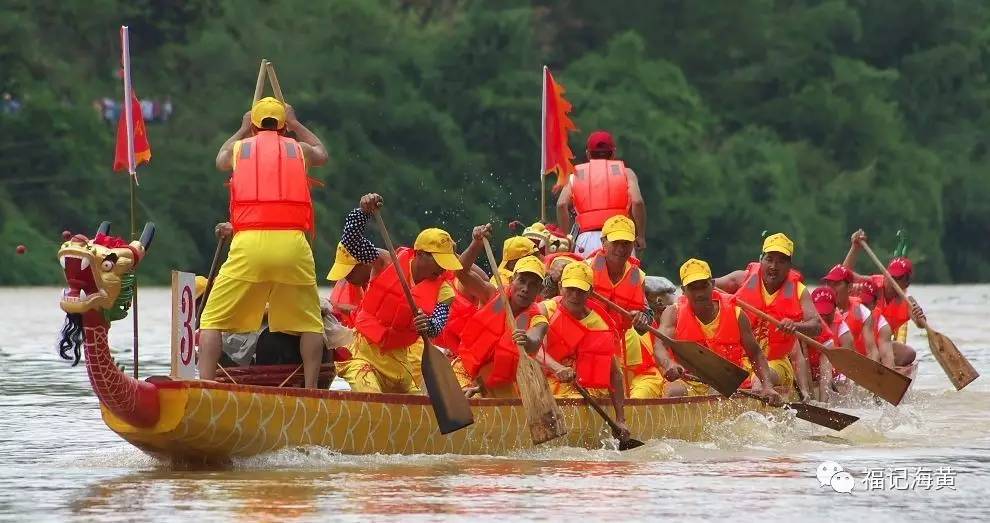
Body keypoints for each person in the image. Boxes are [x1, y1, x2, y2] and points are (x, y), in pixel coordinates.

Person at [199, 97, 329, 388]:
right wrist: (297, 124)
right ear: (283, 125)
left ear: (254, 124)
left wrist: (241, 129)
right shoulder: (300, 149)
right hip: (292, 245)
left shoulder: (238, 148)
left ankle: (205, 388)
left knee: (211, 321)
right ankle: (311, 390)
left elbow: (220, 160)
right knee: (310, 322)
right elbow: (323, 153)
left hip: (250, 244)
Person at [334, 193, 462, 394]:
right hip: (364, 355)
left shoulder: (444, 290)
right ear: (420, 254)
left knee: (416, 407)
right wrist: (362, 213)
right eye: (438, 260)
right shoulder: (386, 261)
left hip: (400, 366)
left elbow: (437, 326)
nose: (443, 268)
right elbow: (351, 242)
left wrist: (427, 326)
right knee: (371, 394)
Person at [657, 259, 782, 404]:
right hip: (690, 382)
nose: (699, 294)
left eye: (704, 286)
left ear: (713, 285)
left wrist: (767, 386)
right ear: (684, 291)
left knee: (718, 391)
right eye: (693, 288)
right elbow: (660, 345)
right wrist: (668, 364)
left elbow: (755, 354)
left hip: (727, 383)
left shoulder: (736, 314)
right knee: (674, 392)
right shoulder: (673, 313)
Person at [713, 233, 819, 398]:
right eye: (769, 259)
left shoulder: (799, 291)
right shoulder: (742, 278)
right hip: (739, 361)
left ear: (789, 265)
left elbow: (816, 326)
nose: (774, 266)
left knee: (760, 381)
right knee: (713, 382)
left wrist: (796, 326)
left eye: (781, 261)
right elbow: (708, 286)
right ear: (761, 259)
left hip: (774, 363)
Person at [451, 224, 549, 397]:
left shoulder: (538, 319)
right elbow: (461, 272)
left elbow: (535, 339)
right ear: (513, 280)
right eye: (522, 281)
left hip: (499, 385)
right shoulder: (492, 294)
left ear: (539, 291)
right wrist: (476, 243)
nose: (525, 288)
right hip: (465, 373)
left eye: (533, 285)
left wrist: (526, 340)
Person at [536, 261, 630, 437]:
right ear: (560, 287)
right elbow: (532, 349)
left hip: (581, 390)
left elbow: (614, 374)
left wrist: (620, 420)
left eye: (580, 290)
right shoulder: (544, 311)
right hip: (544, 382)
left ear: (591, 292)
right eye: (570, 289)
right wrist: (558, 368)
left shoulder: (599, 325)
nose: (574, 295)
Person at [586, 215, 661, 398]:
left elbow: (647, 313)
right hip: (589, 345)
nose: (621, 249)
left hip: (623, 344)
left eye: (626, 243)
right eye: (616, 242)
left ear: (633, 245)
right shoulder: (585, 270)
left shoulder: (639, 276)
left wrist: (643, 318)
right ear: (603, 242)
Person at [555, 130, 647, 258]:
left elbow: (561, 204)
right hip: (620, 239)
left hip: (586, 241)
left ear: (588, 153)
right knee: (624, 278)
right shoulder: (627, 173)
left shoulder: (575, 175)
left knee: (584, 277)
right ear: (613, 153)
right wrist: (641, 236)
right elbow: (637, 202)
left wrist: (566, 238)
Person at [842, 230, 920, 368]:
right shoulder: (872, 284)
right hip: (856, 343)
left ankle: (885, 370)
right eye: (891, 276)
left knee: (909, 354)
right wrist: (855, 248)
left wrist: (920, 318)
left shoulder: (909, 302)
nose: (892, 281)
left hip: (882, 347)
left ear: (907, 283)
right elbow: (843, 275)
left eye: (898, 278)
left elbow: (920, 323)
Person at [804, 286, 856, 401]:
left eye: (827, 313)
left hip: (834, 374)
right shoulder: (800, 322)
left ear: (835, 309)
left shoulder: (835, 333)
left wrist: (823, 404)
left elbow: (845, 368)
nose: (824, 317)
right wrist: (806, 392)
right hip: (804, 373)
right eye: (820, 313)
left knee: (831, 381)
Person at [821, 264, 882, 361]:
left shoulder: (862, 311)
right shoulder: (817, 308)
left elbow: (872, 351)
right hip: (824, 362)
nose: (830, 288)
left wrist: (872, 373)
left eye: (836, 284)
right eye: (828, 283)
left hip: (852, 363)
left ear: (849, 287)